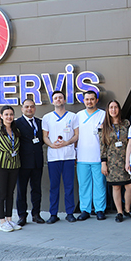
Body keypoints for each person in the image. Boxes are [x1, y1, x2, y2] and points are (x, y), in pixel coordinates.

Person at [42, 90, 79, 223]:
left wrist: (67, 142)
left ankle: (70, 213)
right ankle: (53, 214)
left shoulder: (73, 116)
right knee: (54, 187)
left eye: (60, 97)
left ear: (64, 100)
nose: (58, 99)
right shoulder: (47, 117)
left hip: (68, 156)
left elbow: (76, 135)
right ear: (53, 101)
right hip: (54, 157)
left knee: (69, 186)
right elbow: (45, 137)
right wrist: (51, 145)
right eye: (56, 98)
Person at [0, 106, 21, 233]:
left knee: (10, 193)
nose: (9, 117)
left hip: (14, 165)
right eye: (6, 114)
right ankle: (2, 221)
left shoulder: (16, 130)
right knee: (1, 193)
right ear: (1, 116)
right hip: (0, 165)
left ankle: (9, 219)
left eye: (11, 114)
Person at [101, 100, 131, 223]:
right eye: (111, 107)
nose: (113, 110)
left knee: (130, 186)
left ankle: (127, 210)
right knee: (116, 187)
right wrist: (103, 163)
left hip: (126, 159)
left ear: (119, 109)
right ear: (108, 110)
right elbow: (103, 146)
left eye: (116, 107)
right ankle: (119, 212)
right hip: (112, 161)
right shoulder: (104, 126)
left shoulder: (126, 123)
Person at [76, 91, 107, 221]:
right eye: (87, 99)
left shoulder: (103, 114)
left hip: (98, 157)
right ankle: (85, 210)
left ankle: (100, 209)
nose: (89, 101)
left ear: (96, 100)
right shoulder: (78, 115)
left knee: (100, 185)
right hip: (82, 156)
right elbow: (75, 135)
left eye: (92, 99)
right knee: (84, 185)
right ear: (83, 101)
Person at [14, 99, 46, 226]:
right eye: (26, 107)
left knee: (36, 189)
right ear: (22, 109)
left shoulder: (39, 122)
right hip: (23, 162)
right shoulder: (17, 123)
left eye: (32, 106)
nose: (29, 109)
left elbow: (42, 140)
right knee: (21, 190)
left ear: (35, 108)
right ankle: (22, 215)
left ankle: (36, 214)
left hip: (37, 162)